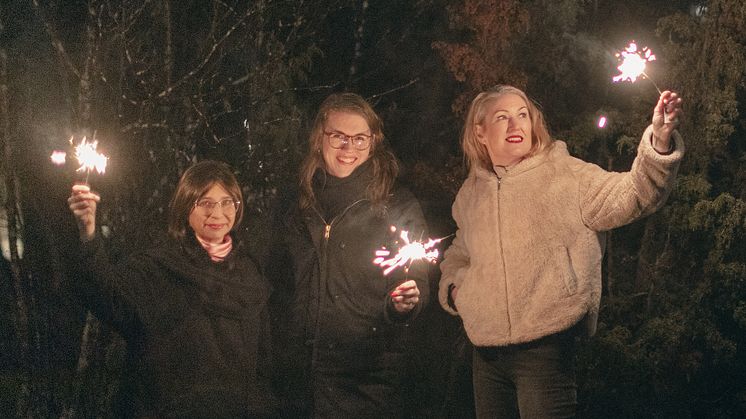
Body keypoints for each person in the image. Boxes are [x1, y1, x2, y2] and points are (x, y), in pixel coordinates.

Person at [439, 85, 684, 418]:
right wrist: (456, 291)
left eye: (523, 115)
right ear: (480, 132)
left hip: (546, 351)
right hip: (486, 355)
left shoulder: (567, 175)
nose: (516, 125)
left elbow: (636, 194)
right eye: (502, 117)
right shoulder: (471, 193)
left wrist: (658, 143)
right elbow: (458, 254)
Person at [68, 160, 277, 418]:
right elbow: (107, 296)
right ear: (186, 207)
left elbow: (263, 366)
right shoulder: (161, 266)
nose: (218, 213)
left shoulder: (249, 272)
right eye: (205, 203)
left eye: (227, 203)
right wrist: (88, 234)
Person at [268, 92, 429, 418]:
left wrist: (403, 304)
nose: (348, 148)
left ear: (373, 142)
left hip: (365, 379)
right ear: (319, 138)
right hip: (296, 379)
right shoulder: (294, 203)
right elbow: (272, 276)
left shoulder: (395, 205)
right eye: (339, 137)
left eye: (359, 139)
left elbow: (417, 278)